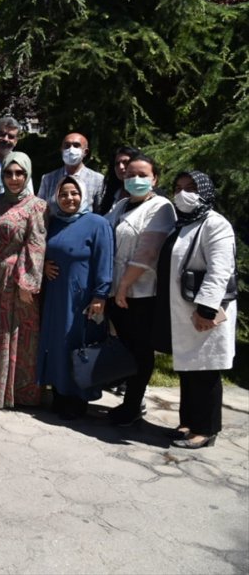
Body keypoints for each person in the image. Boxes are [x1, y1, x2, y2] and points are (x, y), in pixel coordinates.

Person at [155, 171, 237, 448]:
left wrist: (206, 309)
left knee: (205, 370)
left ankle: (206, 430)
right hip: (182, 310)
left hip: (203, 312)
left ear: (204, 190)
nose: (182, 193)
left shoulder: (216, 224)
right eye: (178, 188)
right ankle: (187, 422)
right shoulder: (184, 223)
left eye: (190, 187)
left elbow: (220, 271)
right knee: (189, 369)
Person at [0, 152, 47, 410]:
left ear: (27, 175)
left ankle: (13, 392)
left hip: (16, 278)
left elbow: (36, 244)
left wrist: (28, 282)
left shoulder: (36, 205)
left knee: (11, 333)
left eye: (19, 174)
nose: (14, 179)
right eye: (8, 173)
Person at [104, 153, 176, 425]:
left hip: (140, 293)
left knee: (140, 351)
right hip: (116, 290)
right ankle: (128, 399)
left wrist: (123, 286)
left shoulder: (161, 207)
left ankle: (133, 404)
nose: (135, 179)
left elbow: (148, 252)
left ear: (155, 178)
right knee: (125, 347)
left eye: (142, 175)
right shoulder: (121, 204)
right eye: (130, 174)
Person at [37, 176, 113, 419]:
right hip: (56, 297)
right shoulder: (55, 222)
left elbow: (104, 260)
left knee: (78, 345)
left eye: (74, 193)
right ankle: (60, 393)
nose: (69, 198)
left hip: (82, 298)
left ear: (83, 196)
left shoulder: (97, 223)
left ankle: (78, 399)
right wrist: (44, 265)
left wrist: (100, 295)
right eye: (64, 194)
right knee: (58, 345)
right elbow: (42, 249)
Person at [37, 133, 104, 212]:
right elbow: (39, 209)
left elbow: (100, 212)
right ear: (61, 150)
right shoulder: (48, 179)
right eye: (67, 146)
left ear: (85, 152)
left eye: (76, 145)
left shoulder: (97, 179)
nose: (71, 150)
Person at [96, 145, 140, 215]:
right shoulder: (112, 193)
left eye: (125, 162)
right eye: (117, 164)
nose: (121, 167)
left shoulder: (145, 194)